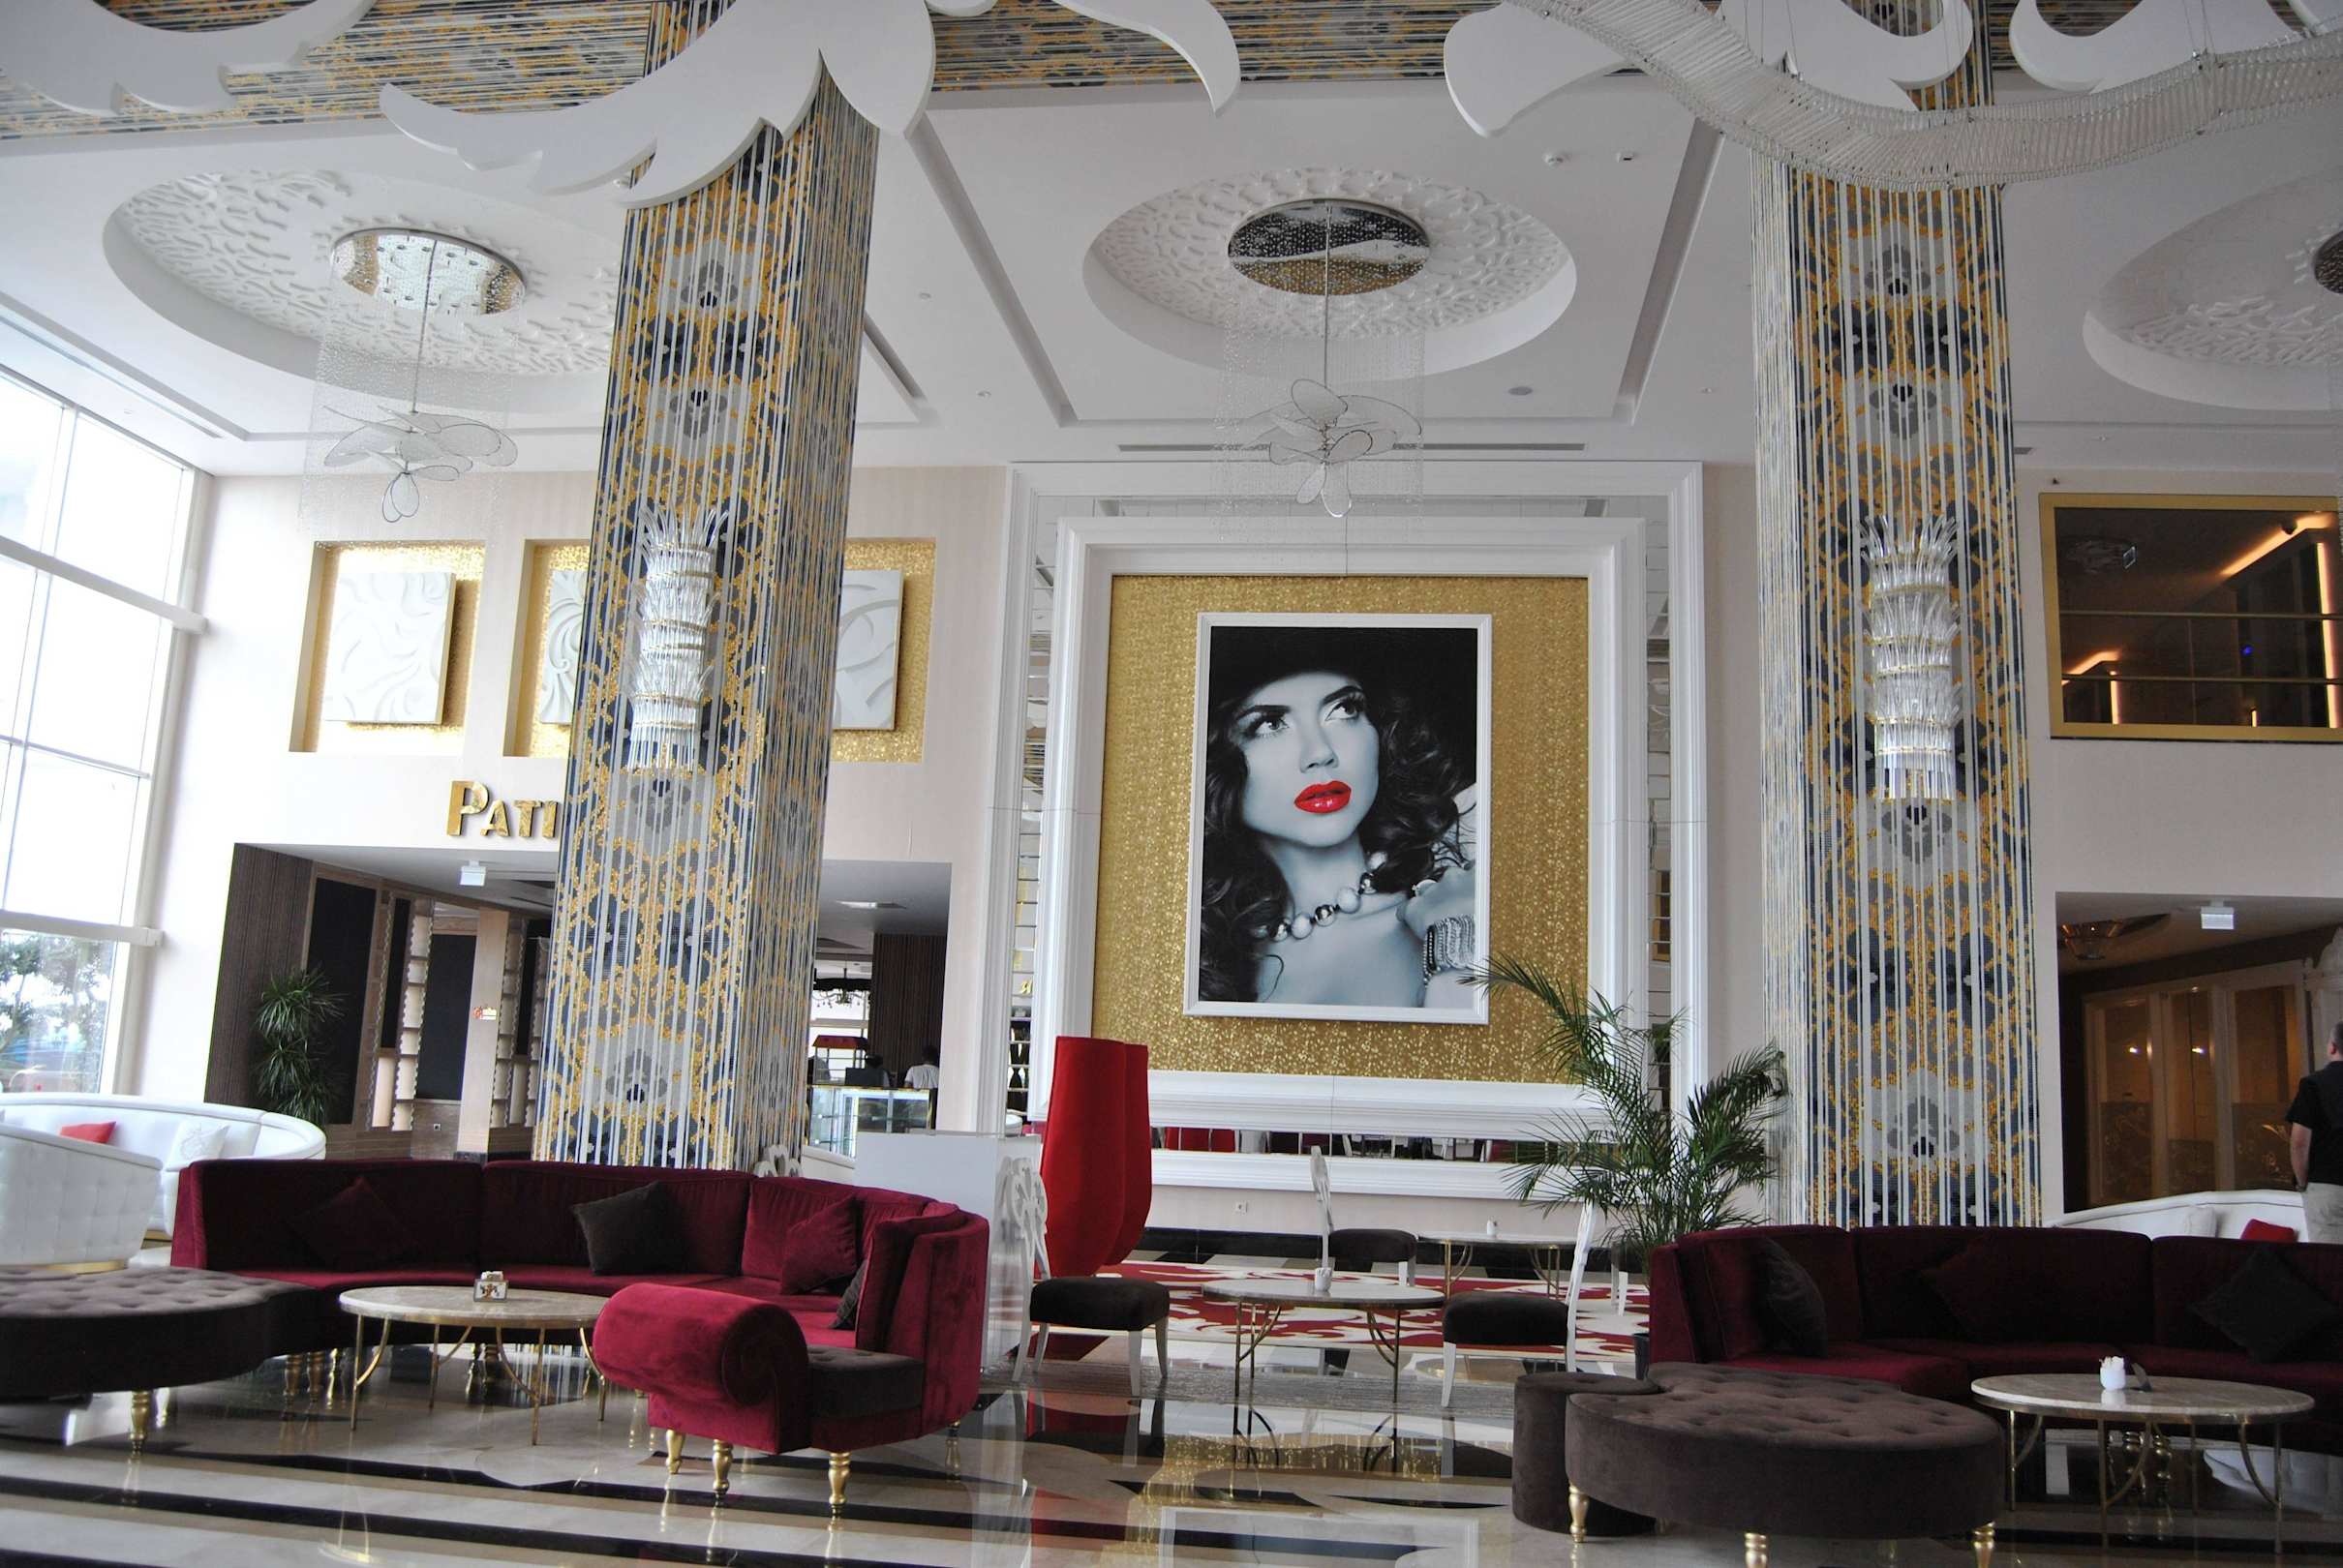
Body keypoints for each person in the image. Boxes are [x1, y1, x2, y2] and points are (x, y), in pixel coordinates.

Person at [1197, 624, 1477, 1009]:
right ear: (1213, 760)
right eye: (1270, 724)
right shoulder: (1207, 963)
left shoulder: (1468, 890)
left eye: (1344, 709)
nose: (1320, 752)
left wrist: (1457, 942)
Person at [2287, 1022, 2343, 1243]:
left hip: (2327, 1186)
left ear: (2332, 1047)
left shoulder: (2313, 1085)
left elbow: (2299, 1143)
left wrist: (2303, 1183)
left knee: (2329, 1259)